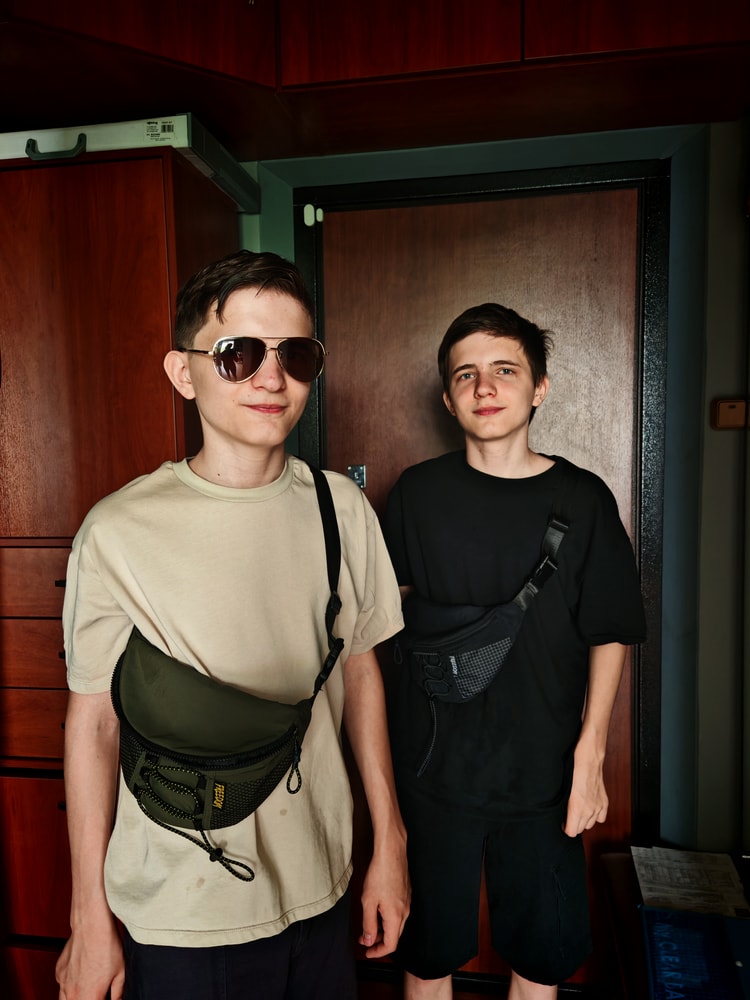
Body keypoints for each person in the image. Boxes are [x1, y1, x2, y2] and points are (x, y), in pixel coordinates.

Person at [55, 249, 410, 1000]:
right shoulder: (117, 530)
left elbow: (360, 673)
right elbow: (94, 724)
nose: (271, 378)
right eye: (237, 353)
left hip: (320, 885)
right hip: (182, 912)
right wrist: (89, 919)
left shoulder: (341, 509)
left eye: (296, 355)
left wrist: (391, 843)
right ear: (183, 373)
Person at [382, 303, 646, 1000]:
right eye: (465, 374)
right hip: (432, 769)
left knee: (541, 960)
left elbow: (610, 630)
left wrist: (590, 758)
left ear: (539, 388)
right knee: (428, 955)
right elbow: (387, 624)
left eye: (505, 370)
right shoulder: (416, 493)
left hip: (542, 773)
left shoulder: (583, 498)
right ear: (448, 399)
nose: (484, 387)